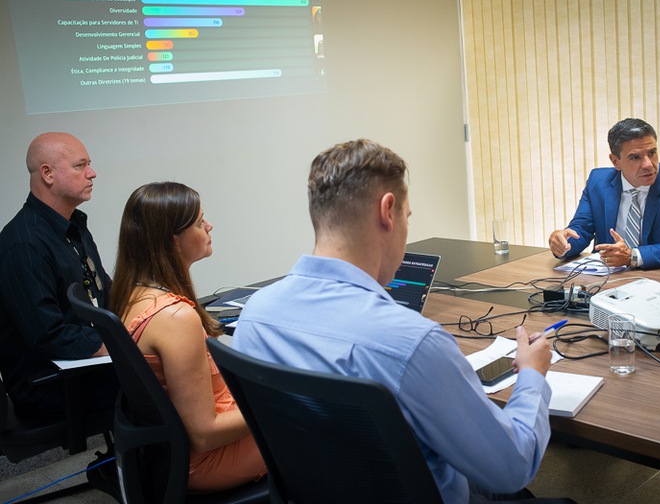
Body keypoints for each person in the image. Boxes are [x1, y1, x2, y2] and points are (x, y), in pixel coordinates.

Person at [233, 139, 563, 503]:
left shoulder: (255, 316)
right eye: (408, 218)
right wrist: (532, 374)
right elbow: (510, 467)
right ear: (387, 211)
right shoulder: (412, 342)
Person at [110, 182, 267, 492]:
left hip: (171, 455)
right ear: (173, 241)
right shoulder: (175, 319)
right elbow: (204, 434)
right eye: (198, 222)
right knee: (321, 421)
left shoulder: (132, 294)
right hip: (205, 461)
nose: (209, 226)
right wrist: (274, 404)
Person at [0, 132, 117, 419]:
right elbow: (49, 335)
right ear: (47, 174)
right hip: (49, 385)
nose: (92, 173)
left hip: (82, 367)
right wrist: (123, 347)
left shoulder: (73, 226)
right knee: (165, 380)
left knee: (169, 359)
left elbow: (104, 292)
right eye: (80, 166)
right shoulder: (24, 244)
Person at [548, 118, 660, 269]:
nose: (648, 164)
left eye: (652, 153)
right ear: (615, 161)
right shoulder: (598, 182)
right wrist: (562, 244)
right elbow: (581, 229)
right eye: (635, 157)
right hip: (608, 278)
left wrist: (632, 256)